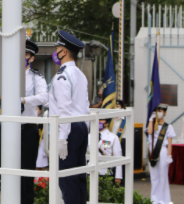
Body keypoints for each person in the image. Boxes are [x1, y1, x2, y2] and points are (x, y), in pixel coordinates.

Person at [48, 30, 89, 204]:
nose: (55, 51)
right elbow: (85, 106)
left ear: (63, 51)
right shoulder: (80, 74)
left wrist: (62, 139)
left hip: (68, 129)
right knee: (78, 177)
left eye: (58, 47)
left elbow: (64, 110)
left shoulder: (62, 76)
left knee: (66, 179)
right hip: (80, 127)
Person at [20, 39, 48, 204]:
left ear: (31, 57)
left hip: (28, 129)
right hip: (10, 128)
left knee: (27, 170)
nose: (22, 57)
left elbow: (44, 97)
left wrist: (24, 100)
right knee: (10, 170)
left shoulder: (36, 78)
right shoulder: (8, 75)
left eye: (25, 54)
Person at [147, 103, 175, 204]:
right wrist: (151, 119)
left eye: (160, 111)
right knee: (154, 177)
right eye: (157, 111)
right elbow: (149, 132)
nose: (158, 113)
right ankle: (154, 199)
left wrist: (169, 156)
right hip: (152, 152)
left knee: (163, 177)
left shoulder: (168, 126)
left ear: (165, 113)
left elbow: (170, 143)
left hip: (163, 152)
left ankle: (164, 199)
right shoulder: (152, 125)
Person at [90, 118, 122, 184]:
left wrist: (118, 176)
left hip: (106, 173)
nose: (98, 121)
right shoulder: (89, 136)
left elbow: (118, 158)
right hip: (90, 172)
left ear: (107, 123)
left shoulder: (113, 138)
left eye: (101, 120)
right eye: (97, 119)